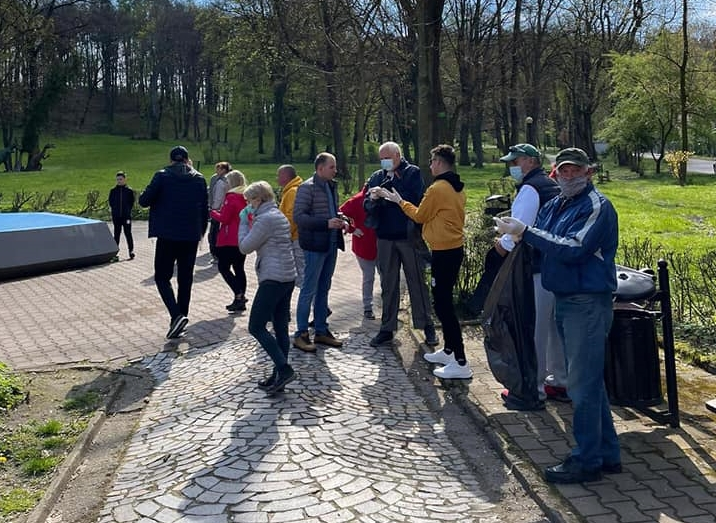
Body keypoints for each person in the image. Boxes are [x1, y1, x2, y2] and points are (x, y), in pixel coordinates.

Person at [494, 146, 620, 484]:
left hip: (587, 302)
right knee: (590, 381)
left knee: (582, 384)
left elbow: (572, 247)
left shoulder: (598, 206)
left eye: (575, 170)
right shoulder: (556, 203)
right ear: (555, 172)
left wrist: (525, 231)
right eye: (563, 170)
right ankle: (607, 454)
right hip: (566, 298)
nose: (568, 176)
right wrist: (515, 229)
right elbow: (541, 236)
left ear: (588, 172)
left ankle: (586, 460)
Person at [378, 144, 470, 379]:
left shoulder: (438, 188)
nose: (430, 166)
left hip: (445, 251)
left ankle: (460, 361)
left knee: (443, 305)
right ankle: (449, 351)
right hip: (450, 248)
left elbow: (420, 215)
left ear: (439, 163)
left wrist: (398, 200)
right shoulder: (455, 184)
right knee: (442, 302)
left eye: (432, 162)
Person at [498, 144, 566, 408]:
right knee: (555, 329)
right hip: (558, 264)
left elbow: (518, 228)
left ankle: (532, 388)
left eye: (515, 162)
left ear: (529, 161)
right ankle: (560, 380)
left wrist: (501, 246)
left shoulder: (530, 188)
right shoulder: (552, 185)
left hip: (535, 264)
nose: (512, 167)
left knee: (535, 329)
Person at [364, 141, 438, 348]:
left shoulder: (411, 173)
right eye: (381, 159)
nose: (384, 162)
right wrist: (374, 198)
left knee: (417, 281)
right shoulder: (376, 176)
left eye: (387, 157)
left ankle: (426, 325)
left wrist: (391, 192)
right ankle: (387, 328)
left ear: (397, 155)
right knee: (388, 284)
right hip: (385, 238)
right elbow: (367, 206)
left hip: (408, 237)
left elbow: (416, 199)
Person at [139, 146, 208, 339]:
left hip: (167, 235)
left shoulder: (162, 176)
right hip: (191, 236)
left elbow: (144, 201)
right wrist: (201, 232)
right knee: (185, 279)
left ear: (171, 160)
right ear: (187, 160)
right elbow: (205, 208)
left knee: (162, 277)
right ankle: (181, 316)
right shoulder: (199, 178)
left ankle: (176, 315)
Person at [239, 181, 297, 395]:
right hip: (286, 276)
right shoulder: (277, 214)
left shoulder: (265, 219)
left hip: (273, 278)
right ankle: (277, 375)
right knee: (280, 327)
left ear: (258, 199)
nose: (247, 205)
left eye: (249, 201)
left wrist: (244, 223)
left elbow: (245, 246)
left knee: (256, 326)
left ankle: (283, 369)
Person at [292, 152, 346, 352]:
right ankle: (301, 333)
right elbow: (299, 217)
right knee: (309, 289)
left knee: (324, 288)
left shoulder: (331, 186)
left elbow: (333, 211)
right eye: (332, 167)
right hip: (315, 246)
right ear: (320, 168)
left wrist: (343, 219)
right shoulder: (307, 188)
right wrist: (326, 223)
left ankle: (321, 330)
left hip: (331, 244)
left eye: (335, 166)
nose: (335, 170)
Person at [210, 170, 249, 313]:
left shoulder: (231, 197)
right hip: (242, 237)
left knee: (223, 267)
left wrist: (212, 212)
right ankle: (240, 299)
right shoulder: (245, 197)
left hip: (229, 238)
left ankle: (239, 294)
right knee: (239, 268)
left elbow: (224, 218)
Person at [339, 183, 378, 320]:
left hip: (383, 245)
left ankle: (389, 307)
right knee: (369, 277)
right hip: (364, 245)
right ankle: (368, 307)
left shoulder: (384, 198)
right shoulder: (357, 200)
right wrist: (352, 229)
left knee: (387, 277)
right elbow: (340, 213)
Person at [277, 164, 305, 288]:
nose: (277, 179)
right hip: (295, 237)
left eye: (279, 175)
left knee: (302, 275)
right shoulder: (291, 190)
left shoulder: (292, 192)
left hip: (296, 238)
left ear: (285, 176)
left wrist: (284, 234)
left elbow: (292, 217)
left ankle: (315, 304)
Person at [108, 171, 135, 261]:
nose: (119, 181)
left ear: (125, 179)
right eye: (118, 179)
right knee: (116, 234)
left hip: (126, 216)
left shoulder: (129, 191)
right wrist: (115, 212)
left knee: (128, 233)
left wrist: (127, 211)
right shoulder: (113, 191)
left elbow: (131, 203)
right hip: (117, 217)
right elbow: (111, 203)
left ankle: (131, 251)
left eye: (121, 179)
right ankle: (114, 253)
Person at [208, 161, 231, 263]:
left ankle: (216, 254)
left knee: (214, 233)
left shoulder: (221, 182)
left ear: (223, 170)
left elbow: (218, 197)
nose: (216, 170)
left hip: (217, 210)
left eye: (219, 168)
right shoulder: (224, 180)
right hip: (223, 209)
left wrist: (214, 208)